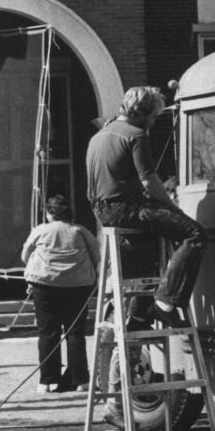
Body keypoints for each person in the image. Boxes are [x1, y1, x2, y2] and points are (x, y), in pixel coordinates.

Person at [86, 85, 206, 329]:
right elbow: (148, 181)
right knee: (195, 233)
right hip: (126, 207)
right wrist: (173, 208)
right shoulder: (135, 134)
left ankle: (139, 317)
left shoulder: (98, 137)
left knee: (153, 241)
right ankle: (165, 305)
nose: (152, 123)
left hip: (102, 210)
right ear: (141, 112)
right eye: (153, 117)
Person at [21, 193, 99, 395]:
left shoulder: (41, 230)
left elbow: (25, 254)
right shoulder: (79, 230)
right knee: (75, 333)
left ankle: (46, 381)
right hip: (78, 286)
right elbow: (96, 255)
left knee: (47, 332)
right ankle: (81, 380)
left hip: (44, 285)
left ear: (49, 213)